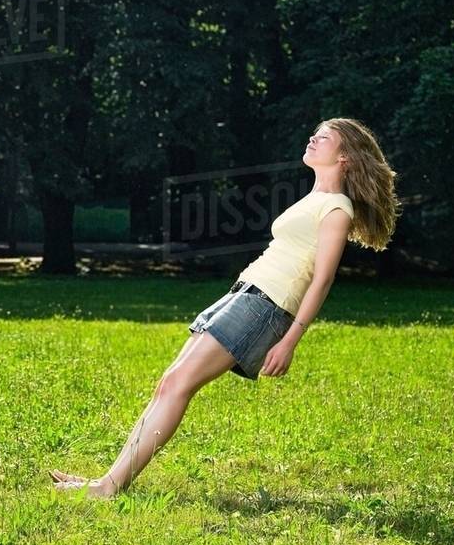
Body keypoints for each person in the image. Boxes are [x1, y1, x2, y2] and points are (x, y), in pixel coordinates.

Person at [49, 117, 400, 499]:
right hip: (246, 293)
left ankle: (108, 488)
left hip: (266, 304)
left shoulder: (337, 208)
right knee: (169, 383)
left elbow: (323, 280)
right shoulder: (316, 199)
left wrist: (289, 341)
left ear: (345, 155)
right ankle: (108, 483)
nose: (312, 140)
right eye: (314, 135)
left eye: (324, 138)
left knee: (178, 385)